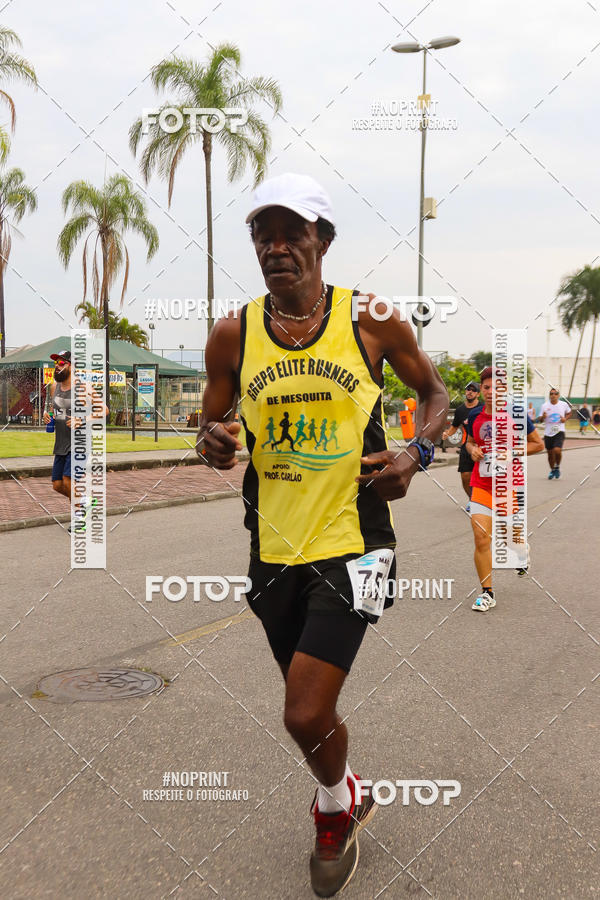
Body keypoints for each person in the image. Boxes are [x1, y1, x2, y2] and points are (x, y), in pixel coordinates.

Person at [195, 172, 448, 897]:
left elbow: (434, 396)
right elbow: (210, 424)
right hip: (272, 546)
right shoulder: (233, 334)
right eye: (262, 235)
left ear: (323, 241)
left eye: (292, 233)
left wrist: (415, 453)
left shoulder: (372, 320)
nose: (276, 247)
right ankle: (344, 791)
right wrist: (210, 440)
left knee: (301, 708)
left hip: (357, 541)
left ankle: (332, 809)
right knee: (316, 713)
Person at [464, 367, 543, 612]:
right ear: (482, 390)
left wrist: (513, 452)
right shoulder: (475, 416)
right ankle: (487, 593)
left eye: (497, 387)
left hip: (507, 487)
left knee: (510, 537)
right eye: (487, 387)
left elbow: (538, 444)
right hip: (481, 485)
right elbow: (470, 441)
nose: (491, 392)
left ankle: (522, 551)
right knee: (480, 537)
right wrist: (472, 450)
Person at [43, 349, 107, 530]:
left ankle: (79, 519)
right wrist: (47, 417)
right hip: (61, 441)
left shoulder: (84, 387)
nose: (57, 366)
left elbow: (104, 410)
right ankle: (85, 501)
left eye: (62, 363)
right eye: (56, 363)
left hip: (80, 442)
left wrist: (83, 419)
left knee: (68, 480)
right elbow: (54, 409)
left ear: (71, 366)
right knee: (57, 485)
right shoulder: (54, 387)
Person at [441, 381, 482, 510]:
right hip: (467, 446)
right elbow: (454, 426)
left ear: (478, 394)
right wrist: (447, 433)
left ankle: (485, 500)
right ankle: (472, 499)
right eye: (468, 389)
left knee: (484, 476)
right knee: (465, 475)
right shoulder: (460, 410)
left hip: (483, 446)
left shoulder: (483, 407)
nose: (469, 392)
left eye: (473, 390)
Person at [540, 388, 571, 479]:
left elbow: (569, 413)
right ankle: (552, 470)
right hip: (548, 432)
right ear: (550, 395)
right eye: (551, 393)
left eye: (555, 393)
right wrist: (543, 417)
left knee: (557, 450)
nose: (553, 395)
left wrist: (565, 419)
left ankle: (557, 467)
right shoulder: (545, 406)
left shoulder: (563, 404)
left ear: (558, 395)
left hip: (559, 431)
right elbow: (540, 419)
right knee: (550, 454)